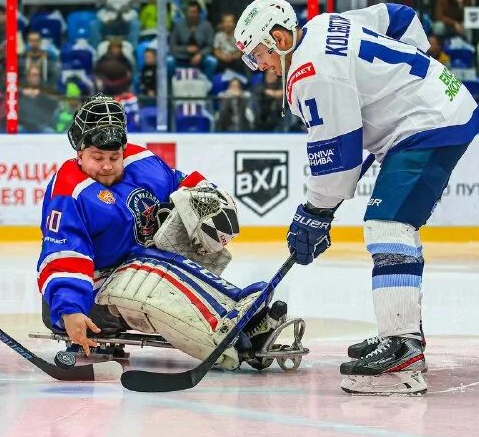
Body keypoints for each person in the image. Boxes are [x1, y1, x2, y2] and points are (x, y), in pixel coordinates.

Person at [234, 0, 479, 395]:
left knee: (388, 224)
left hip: (428, 123)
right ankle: (403, 335)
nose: (259, 66)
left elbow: (338, 162)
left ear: (280, 38)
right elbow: (399, 17)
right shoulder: (325, 24)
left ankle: (402, 352)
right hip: (435, 106)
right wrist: (411, 78)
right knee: (389, 223)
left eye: (258, 55)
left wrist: (313, 212)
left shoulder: (310, 72)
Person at [37, 95, 291, 369]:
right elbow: (64, 255)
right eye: (97, 158)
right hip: (89, 296)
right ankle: (229, 339)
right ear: (79, 154)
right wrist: (70, 310)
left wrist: (205, 195)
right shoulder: (69, 192)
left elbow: (180, 184)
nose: (107, 166)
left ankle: (249, 319)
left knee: (174, 265)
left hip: (144, 264)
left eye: (114, 157)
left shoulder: (141, 162)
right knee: (151, 277)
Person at [169, 1, 216, 78]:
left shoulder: (207, 26)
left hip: (200, 56)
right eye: (189, 12)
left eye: (194, 12)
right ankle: (169, 86)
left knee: (212, 62)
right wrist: (186, 49)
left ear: (199, 13)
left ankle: (208, 85)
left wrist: (201, 54)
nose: (191, 15)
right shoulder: (178, 25)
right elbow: (172, 46)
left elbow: (210, 46)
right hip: (181, 56)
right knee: (169, 61)